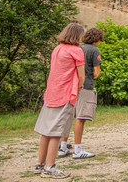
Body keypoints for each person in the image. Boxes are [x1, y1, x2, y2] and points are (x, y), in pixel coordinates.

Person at [34, 23, 85, 178]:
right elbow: (81, 75)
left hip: (51, 93)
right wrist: (79, 87)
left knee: (46, 131)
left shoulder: (57, 49)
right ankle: (50, 167)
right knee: (57, 132)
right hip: (65, 94)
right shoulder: (77, 51)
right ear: (77, 35)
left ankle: (40, 164)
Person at [58, 28, 104, 159]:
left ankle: (63, 146)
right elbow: (96, 73)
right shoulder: (94, 50)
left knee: (68, 116)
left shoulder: (75, 47)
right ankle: (77, 150)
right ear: (97, 39)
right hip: (85, 86)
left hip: (70, 86)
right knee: (81, 117)